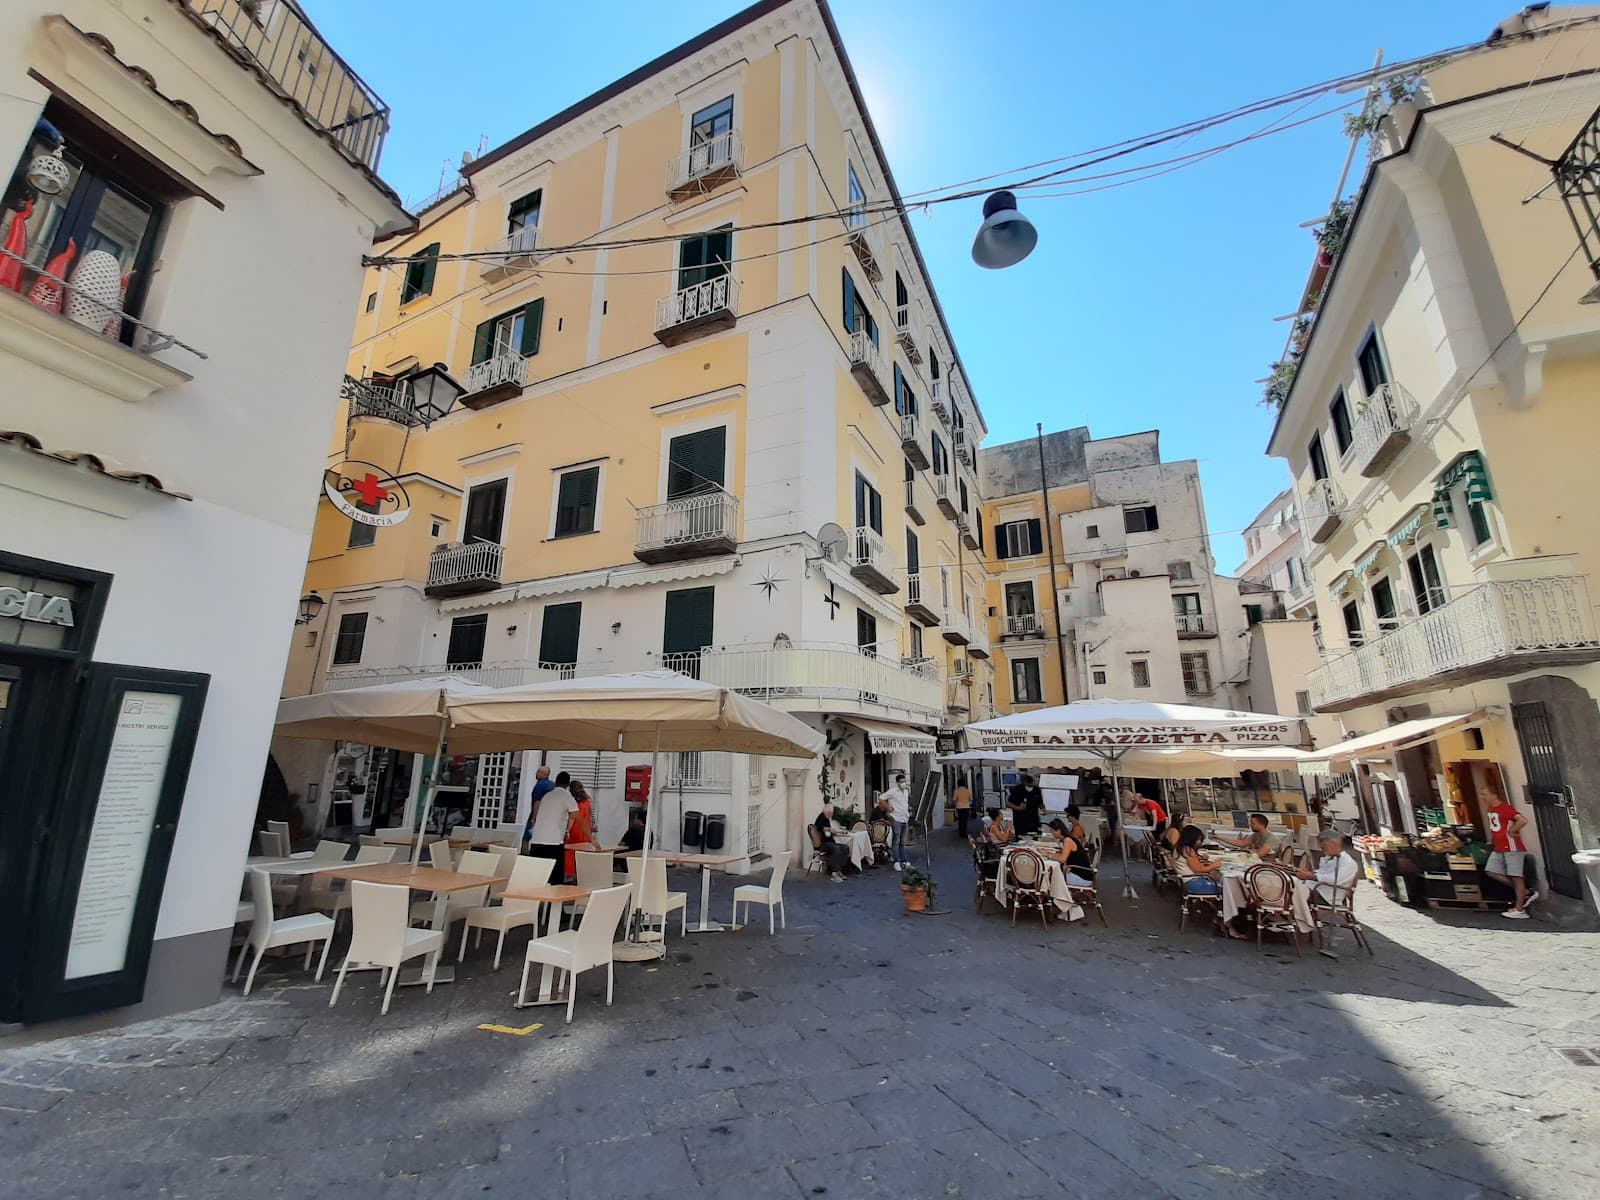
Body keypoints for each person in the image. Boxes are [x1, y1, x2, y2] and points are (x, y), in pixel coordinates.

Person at [1482, 788, 1539, 918]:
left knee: (1516, 875)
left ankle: (1520, 909)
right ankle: (1525, 892)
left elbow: (1522, 820)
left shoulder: (1505, 808)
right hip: (1499, 846)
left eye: (1485, 794)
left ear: (1494, 794)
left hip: (1511, 846)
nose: (1483, 797)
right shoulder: (1491, 809)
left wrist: (1511, 831)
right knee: (1491, 870)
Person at [1298, 828, 1360, 909]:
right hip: (1317, 889)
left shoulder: (1348, 862)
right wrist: (1309, 874)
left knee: (1294, 891)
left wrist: (1311, 876)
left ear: (1333, 843)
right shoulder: (1329, 858)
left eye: (1322, 844)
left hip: (1327, 895)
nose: (1320, 847)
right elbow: (1323, 873)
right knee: (1290, 884)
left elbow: (1335, 879)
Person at [526, 772, 577, 866]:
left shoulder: (547, 796)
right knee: (554, 876)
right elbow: (573, 816)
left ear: (556, 782)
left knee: (536, 873)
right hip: (554, 841)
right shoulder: (567, 797)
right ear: (568, 784)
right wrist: (567, 831)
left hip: (537, 839)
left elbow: (537, 806)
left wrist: (533, 820)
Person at [563, 779, 600, 879]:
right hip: (586, 830)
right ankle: (583, 874)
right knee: (583, 852)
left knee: (570, 852)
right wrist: (593, 825)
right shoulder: (588, 801)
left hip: (575, 829)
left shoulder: (573, 801)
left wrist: (567, 830)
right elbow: (592, 814)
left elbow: (572, 818)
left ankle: (570, 874)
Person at [1046, 817, 1095, 884]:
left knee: (1050, 878)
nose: (1052, 833)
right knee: (1053, 875)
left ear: (1059, 831)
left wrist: (1048, 855)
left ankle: (1055, 893)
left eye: (1052, 831)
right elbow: (1064, 855)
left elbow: (1062, 859)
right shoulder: (1069, 838)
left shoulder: (1067, 840)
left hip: (1081, 878)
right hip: (1082, 874)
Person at [881, 773, 911, 868]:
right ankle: (896, 861)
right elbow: (881, 798)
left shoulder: (906, 791)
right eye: (902, 782)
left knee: (903, 841)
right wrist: (888, 807)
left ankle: (904, 861)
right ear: (897, 783)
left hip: (904, 818)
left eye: (904, 781)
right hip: (896, 818)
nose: (904, 783)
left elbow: (905, 803)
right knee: (896, 840)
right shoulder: (893, 791)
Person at [521, 765, 553, 851]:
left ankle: (525, 857)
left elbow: (537, 802)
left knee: (526, 838)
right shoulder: (552, 785)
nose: (536, 773)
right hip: (550, 817)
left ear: (543, 774)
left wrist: (533, 818)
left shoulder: (539, 786)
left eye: (538, 771)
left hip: (538, 815)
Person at [813, 802, 848, 882]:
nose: (831, 815)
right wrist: (830, 830)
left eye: (832, 813)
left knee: (845, 848)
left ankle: (839, 870)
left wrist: (833, 831)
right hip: (823, 844)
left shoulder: (826, 818)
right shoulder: (821, 818)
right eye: (830, 813)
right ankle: (834, 873)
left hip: (830, 842)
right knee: (836, 849)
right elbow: (821, 829)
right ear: (826, 811)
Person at [952, 774, 974, 839]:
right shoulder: (967, 790)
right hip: (966, 807)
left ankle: (961, 832)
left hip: (959, 807)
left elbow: (954, 799)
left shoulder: (956, 791)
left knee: (960, 820)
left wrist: (955, 805)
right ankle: (964, 832)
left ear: (958, 784)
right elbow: (971, 799)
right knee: (965, 820)